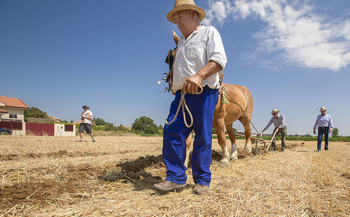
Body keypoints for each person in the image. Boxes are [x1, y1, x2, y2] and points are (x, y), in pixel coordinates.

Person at [153, 0, 227, 194]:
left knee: (202, 136)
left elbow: (219, 60)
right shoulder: (182, 41)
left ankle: (202, 181)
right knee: (172, 132)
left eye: (180, 16)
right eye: (175, 18)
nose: (177, 21)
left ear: (194, 14)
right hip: (181, 97)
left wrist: (199, 76)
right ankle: (176, 178)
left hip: (204, 93)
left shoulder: (209, 33)